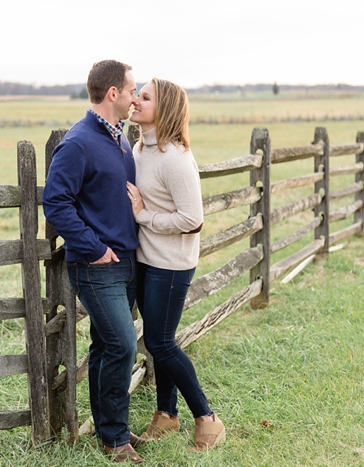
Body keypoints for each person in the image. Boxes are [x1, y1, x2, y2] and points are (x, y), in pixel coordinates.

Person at [43, 60, 145, 464]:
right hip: (97, 265)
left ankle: (109, 430)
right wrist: (94, 247)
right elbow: (56, 203)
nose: (136, 97)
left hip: (126, 262)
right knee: (122, 345)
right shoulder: (79, 142)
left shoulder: (119, 139)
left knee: (106, 347)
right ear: (113, 94)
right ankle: (116, 440)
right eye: (132, 90)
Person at [126, 78, 226, 451]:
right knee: (157, 341)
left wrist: (144, 216)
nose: (135, 99)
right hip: (146, 258)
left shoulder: (176, 158)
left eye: (145, 96)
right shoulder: (140, 148)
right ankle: (166, 415)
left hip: (172, 263)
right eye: (137, 93)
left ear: (164, 108)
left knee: (160, 342)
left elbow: (192, 219)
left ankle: (207, 418)